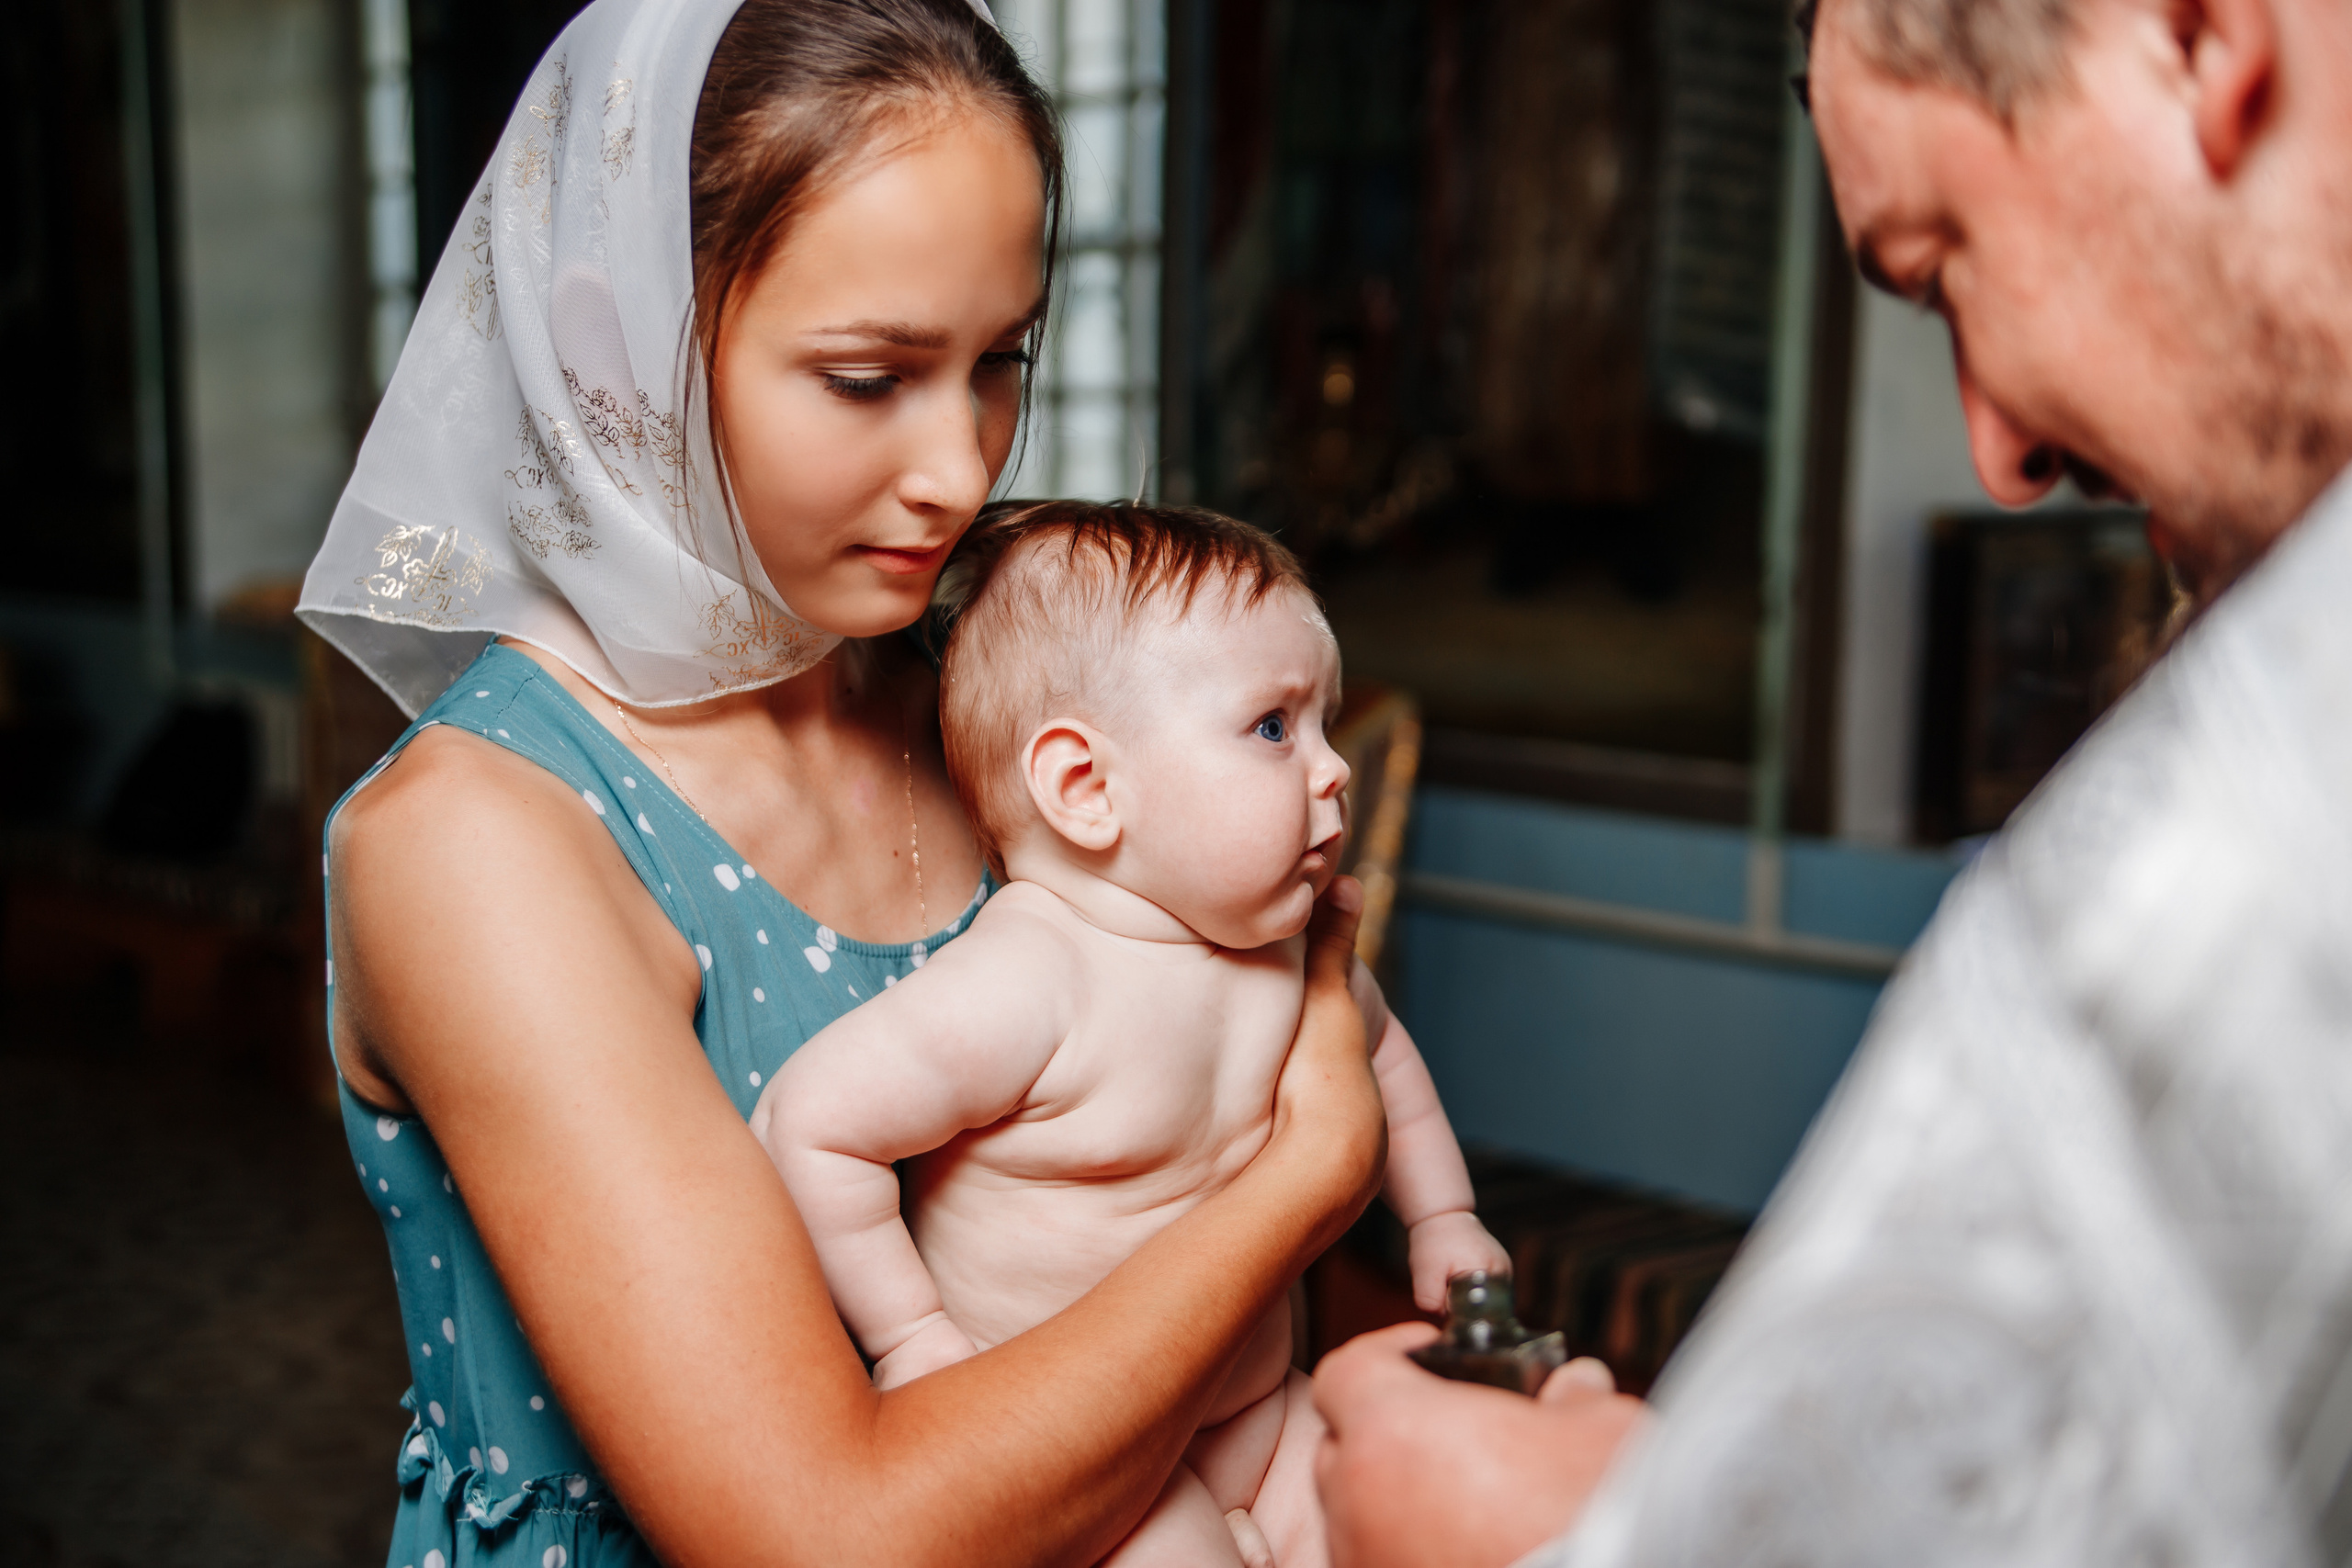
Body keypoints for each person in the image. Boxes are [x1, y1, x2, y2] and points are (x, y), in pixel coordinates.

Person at [297, 3, 1388, 1565]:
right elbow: (824, 1536)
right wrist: (1303, 1182)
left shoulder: (981, 715)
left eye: (999, 361)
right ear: (625, 344)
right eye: (870, 377)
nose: (961, 468)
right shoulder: (483, 841)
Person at [1309, 0, 2352, 1562]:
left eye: (1940, 268)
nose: (1998, 451)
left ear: (2194, 39)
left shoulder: (2223, 856)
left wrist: (1529, 1534)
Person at [753, 502, 1514, 1568]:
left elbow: (1383, 1064)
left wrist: (1442, 1216)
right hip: (1098, 1476)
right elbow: (811, 1126)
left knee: (1417, 1523)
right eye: (1272, 727)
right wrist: (912, 1338)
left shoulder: (1291, 955)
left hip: (1261, 1414)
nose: (1333, 767)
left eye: (1324, 722)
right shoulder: (1031, 981)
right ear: (1086, 788)